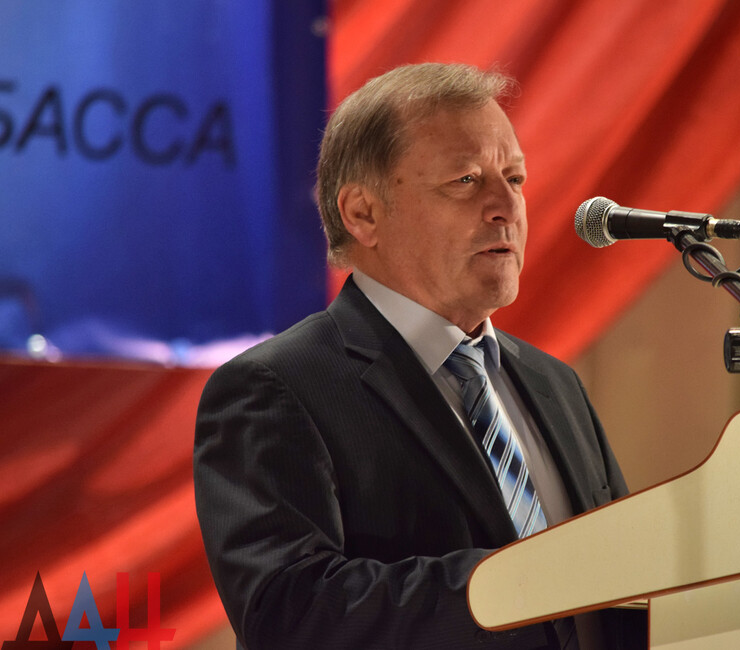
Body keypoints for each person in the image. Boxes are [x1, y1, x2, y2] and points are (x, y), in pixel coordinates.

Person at [194, 62, 641, 649]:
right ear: (363, 213)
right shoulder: (276, 387)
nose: (506, 205)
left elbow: (625, 584)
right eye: (466, 180)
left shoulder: (553, 382)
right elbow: (289, 613)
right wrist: (524, 580)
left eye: (514, 177)